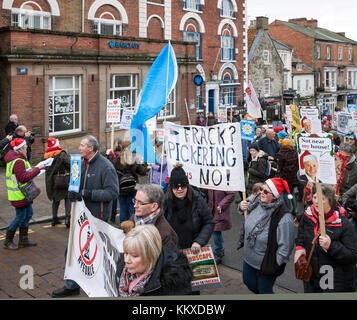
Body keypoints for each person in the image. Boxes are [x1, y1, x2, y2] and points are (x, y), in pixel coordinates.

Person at [52, 135, 119, 298]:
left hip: (97, 218)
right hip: (80, 217)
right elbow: (76, 186)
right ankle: (72, 285)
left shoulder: (106, 167)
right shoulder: (81, 164)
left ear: (91, 148)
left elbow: (113, 192)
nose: (79, 148)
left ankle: (103, 285)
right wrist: (72, 192)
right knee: (71, 249)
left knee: (96, 255)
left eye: (82, 145)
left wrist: (88, 194)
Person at [295, 184, 357, 292]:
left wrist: (331, 246)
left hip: (332, 280)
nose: (316, 201)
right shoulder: (308, 214)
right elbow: (301, 232)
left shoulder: (344, 224)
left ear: (330, 200)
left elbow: (352, 256)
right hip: (311, 275)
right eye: (315, 197)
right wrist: (300, 247)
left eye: (321, 198)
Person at [238, 178, 295, 294]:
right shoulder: (256, 201)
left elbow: (286, 246)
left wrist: (275, 263)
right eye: (261, 189)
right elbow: (244, 210)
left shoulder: (284, 218)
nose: (261, 193)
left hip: (266, 264)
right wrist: (240, 206)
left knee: (264, 290)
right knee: (248, 282)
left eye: (265, 191)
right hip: (249, 257)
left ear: (274, 196)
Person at [116, 224, 193, 296]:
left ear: (150, 255)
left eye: (134, 256)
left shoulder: (174, 284)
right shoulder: (122, 268)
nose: (126, 260)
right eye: (126, 253)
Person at [4, 138, 46, 250]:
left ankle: (23, 240)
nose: (27, 147)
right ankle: (8, 241)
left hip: (24, 194)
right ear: (21, 148)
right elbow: (23, 178)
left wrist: (35, 169)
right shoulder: (18, 161)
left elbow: (24, 173)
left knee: (28, 214)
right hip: (19, 195)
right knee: (20, 217)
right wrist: (38, 169)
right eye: (25, 146)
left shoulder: (18, 158)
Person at [163, 163, 214, 254]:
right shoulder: (165, 201)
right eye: (176, 186)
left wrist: (199, 241)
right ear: (171, 188)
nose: (179, 189)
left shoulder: (198, 199)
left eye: (183, 185)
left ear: (187, 185)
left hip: (193, 250)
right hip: (172, 250)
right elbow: (160, 225)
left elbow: (209, 222)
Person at [127, 184, 178, 250]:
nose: (135, 206)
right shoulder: (134, 218)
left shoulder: (166, 235)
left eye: (140, 203)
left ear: (154, 207)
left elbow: (167, 259)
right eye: (135, 201)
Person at [114, 140, 148, 223]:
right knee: (131, 207)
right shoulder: (134, 159)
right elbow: (142, 172)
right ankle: (131, 226)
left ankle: (123, 227)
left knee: (122, 208)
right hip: (132, 187)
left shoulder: (117, 160)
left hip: (121, 188)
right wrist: (144, 163)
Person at [43, 138, 71, 227]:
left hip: (51, 181)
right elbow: (69, 165)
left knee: (55, 200)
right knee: (67, 198)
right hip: (62, 180)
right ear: (56, 144)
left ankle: (54, 219)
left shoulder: (45, 155)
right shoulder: (62, 154)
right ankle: (67, 218)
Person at [207, 189, 235, 264]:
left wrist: (221, 205)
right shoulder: (208, 179)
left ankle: (219, 252)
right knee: (210, 230)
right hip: (209, 210)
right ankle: (218, 250)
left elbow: (231, 194)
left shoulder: (223, 182)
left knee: (216, 231)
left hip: (219, 212)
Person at [276, 138, 299, 214]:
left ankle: (288, 209)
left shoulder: (281, 154)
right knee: (292, 191)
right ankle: (295, 209)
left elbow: (280, 166)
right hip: (293, 175)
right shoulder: (295, 152)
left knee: (286, 192)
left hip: (285, 176)